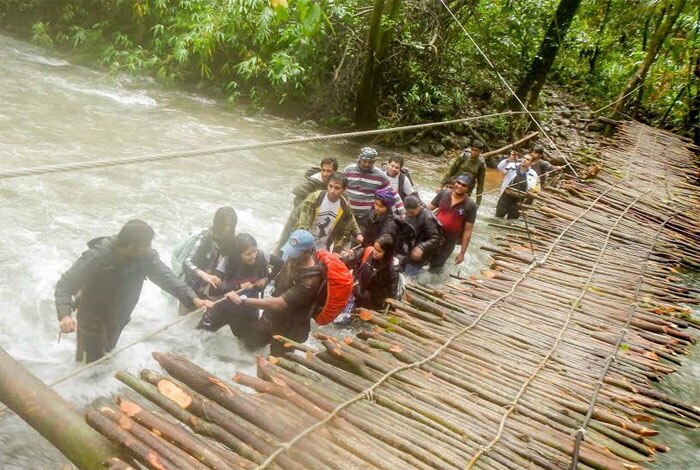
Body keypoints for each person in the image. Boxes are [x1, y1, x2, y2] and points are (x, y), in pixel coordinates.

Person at [54, 220, 213, 363]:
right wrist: (65, 315)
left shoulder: (146, 257)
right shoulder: (98, 256)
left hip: (118, 317)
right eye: (146, 245)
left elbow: (167, 278)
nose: (149, 249)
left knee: (106, 355)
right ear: (131, 247)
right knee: (88, 363)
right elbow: (65, 285)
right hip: (92, 317)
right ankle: (83, 390)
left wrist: (194, 298)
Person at [225, 230, 325, 356]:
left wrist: (243, 301)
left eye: (295, 254)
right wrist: (266, 279)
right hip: (271, 317)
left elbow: (280, 303)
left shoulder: (310, 281)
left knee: (277, 362)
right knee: (247, 346)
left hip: (290, 328)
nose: (290, 256)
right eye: (289, 252)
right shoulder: (293, 259)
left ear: (308, 253)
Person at [197, 233, 282, 338]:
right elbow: (213, 290)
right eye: (248, 254)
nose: (253, 256)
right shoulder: (227, 261)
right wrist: (238, 286)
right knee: (199, 335)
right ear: (238, 254)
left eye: (254, 251)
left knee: (248, 347)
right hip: (223, 308)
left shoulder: (262, 256)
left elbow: (280, 263)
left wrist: (266, 279)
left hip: (247, 310)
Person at [276, 172, 362, 254]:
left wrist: (336, 251)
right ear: (327, 185)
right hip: (301, 242)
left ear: (344, 189)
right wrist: (305, 248)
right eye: (330, 186)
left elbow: (343, 232)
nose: (332, 191)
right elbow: (303, 225)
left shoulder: (345, 207)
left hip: (322, 248)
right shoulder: (314, 198)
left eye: (337, 188)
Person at [182, 206, 237, 298]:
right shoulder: (205, 237)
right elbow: (186, 262)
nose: (228, 228)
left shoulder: (230, 241)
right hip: (191, 287)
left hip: (209, 290)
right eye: (225, 225)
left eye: (231, 225)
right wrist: (202, 274)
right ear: (218, 223)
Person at [344, 147, 404, 231]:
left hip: (365, 217)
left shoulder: (380, 176)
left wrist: (403, 214)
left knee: (359, 241)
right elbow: (340, 187)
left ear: (374, 162)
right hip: (347, 214)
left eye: (370, 162)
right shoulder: (348, 170)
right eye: (364, 161)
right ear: (359, 159)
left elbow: (393, 194)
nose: (367, 164)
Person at [428, 175, 477, 270]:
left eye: (463, 185)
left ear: (468, 189)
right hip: (433, 233)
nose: (459, 186)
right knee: (419, 259)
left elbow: (467, 231)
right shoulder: (444, 193)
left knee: (436, 267)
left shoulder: (470, 205)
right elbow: (427, 210)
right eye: (458, 183)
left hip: (450, 240)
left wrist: (462, 253)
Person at [345, 234, 400, 310]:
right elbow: (352, 260)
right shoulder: (368, 251)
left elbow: (392, 294)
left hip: (370, 304)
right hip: (354, 292)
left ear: (387, 253)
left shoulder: (392, 269)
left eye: (379, 251)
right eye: (375, 248)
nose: (375, 252)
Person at [440, 139, 486, 207]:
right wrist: (441, 185)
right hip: (454, 185)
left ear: (480, 152)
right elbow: (451, 171)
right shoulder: (463, 157)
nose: (473, 152)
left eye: (476, 151)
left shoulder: (481, 165)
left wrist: (478, 202)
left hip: (467, 190)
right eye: (472, 149)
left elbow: (480, 184)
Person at [495, 152, 540, 220]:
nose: (524, 160)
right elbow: (500, 167)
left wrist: (527, 204)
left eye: (527, 159)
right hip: (505, 197)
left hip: (518, 201)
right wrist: (508, 160)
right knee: (497, 218)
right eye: (524, 158)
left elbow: (535, 189)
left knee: (511, 221)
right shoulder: (512, 166)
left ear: (532, 163)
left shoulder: (533, 174)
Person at [404, 195, 442, 270]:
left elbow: (436, 238)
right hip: (412, 245)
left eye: (411, 212)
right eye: (407, 213)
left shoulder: (428, 218)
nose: (409, 215)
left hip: (422, 251)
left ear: (418, 206)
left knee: (411, 273)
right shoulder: (411, 213)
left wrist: (421, 247)